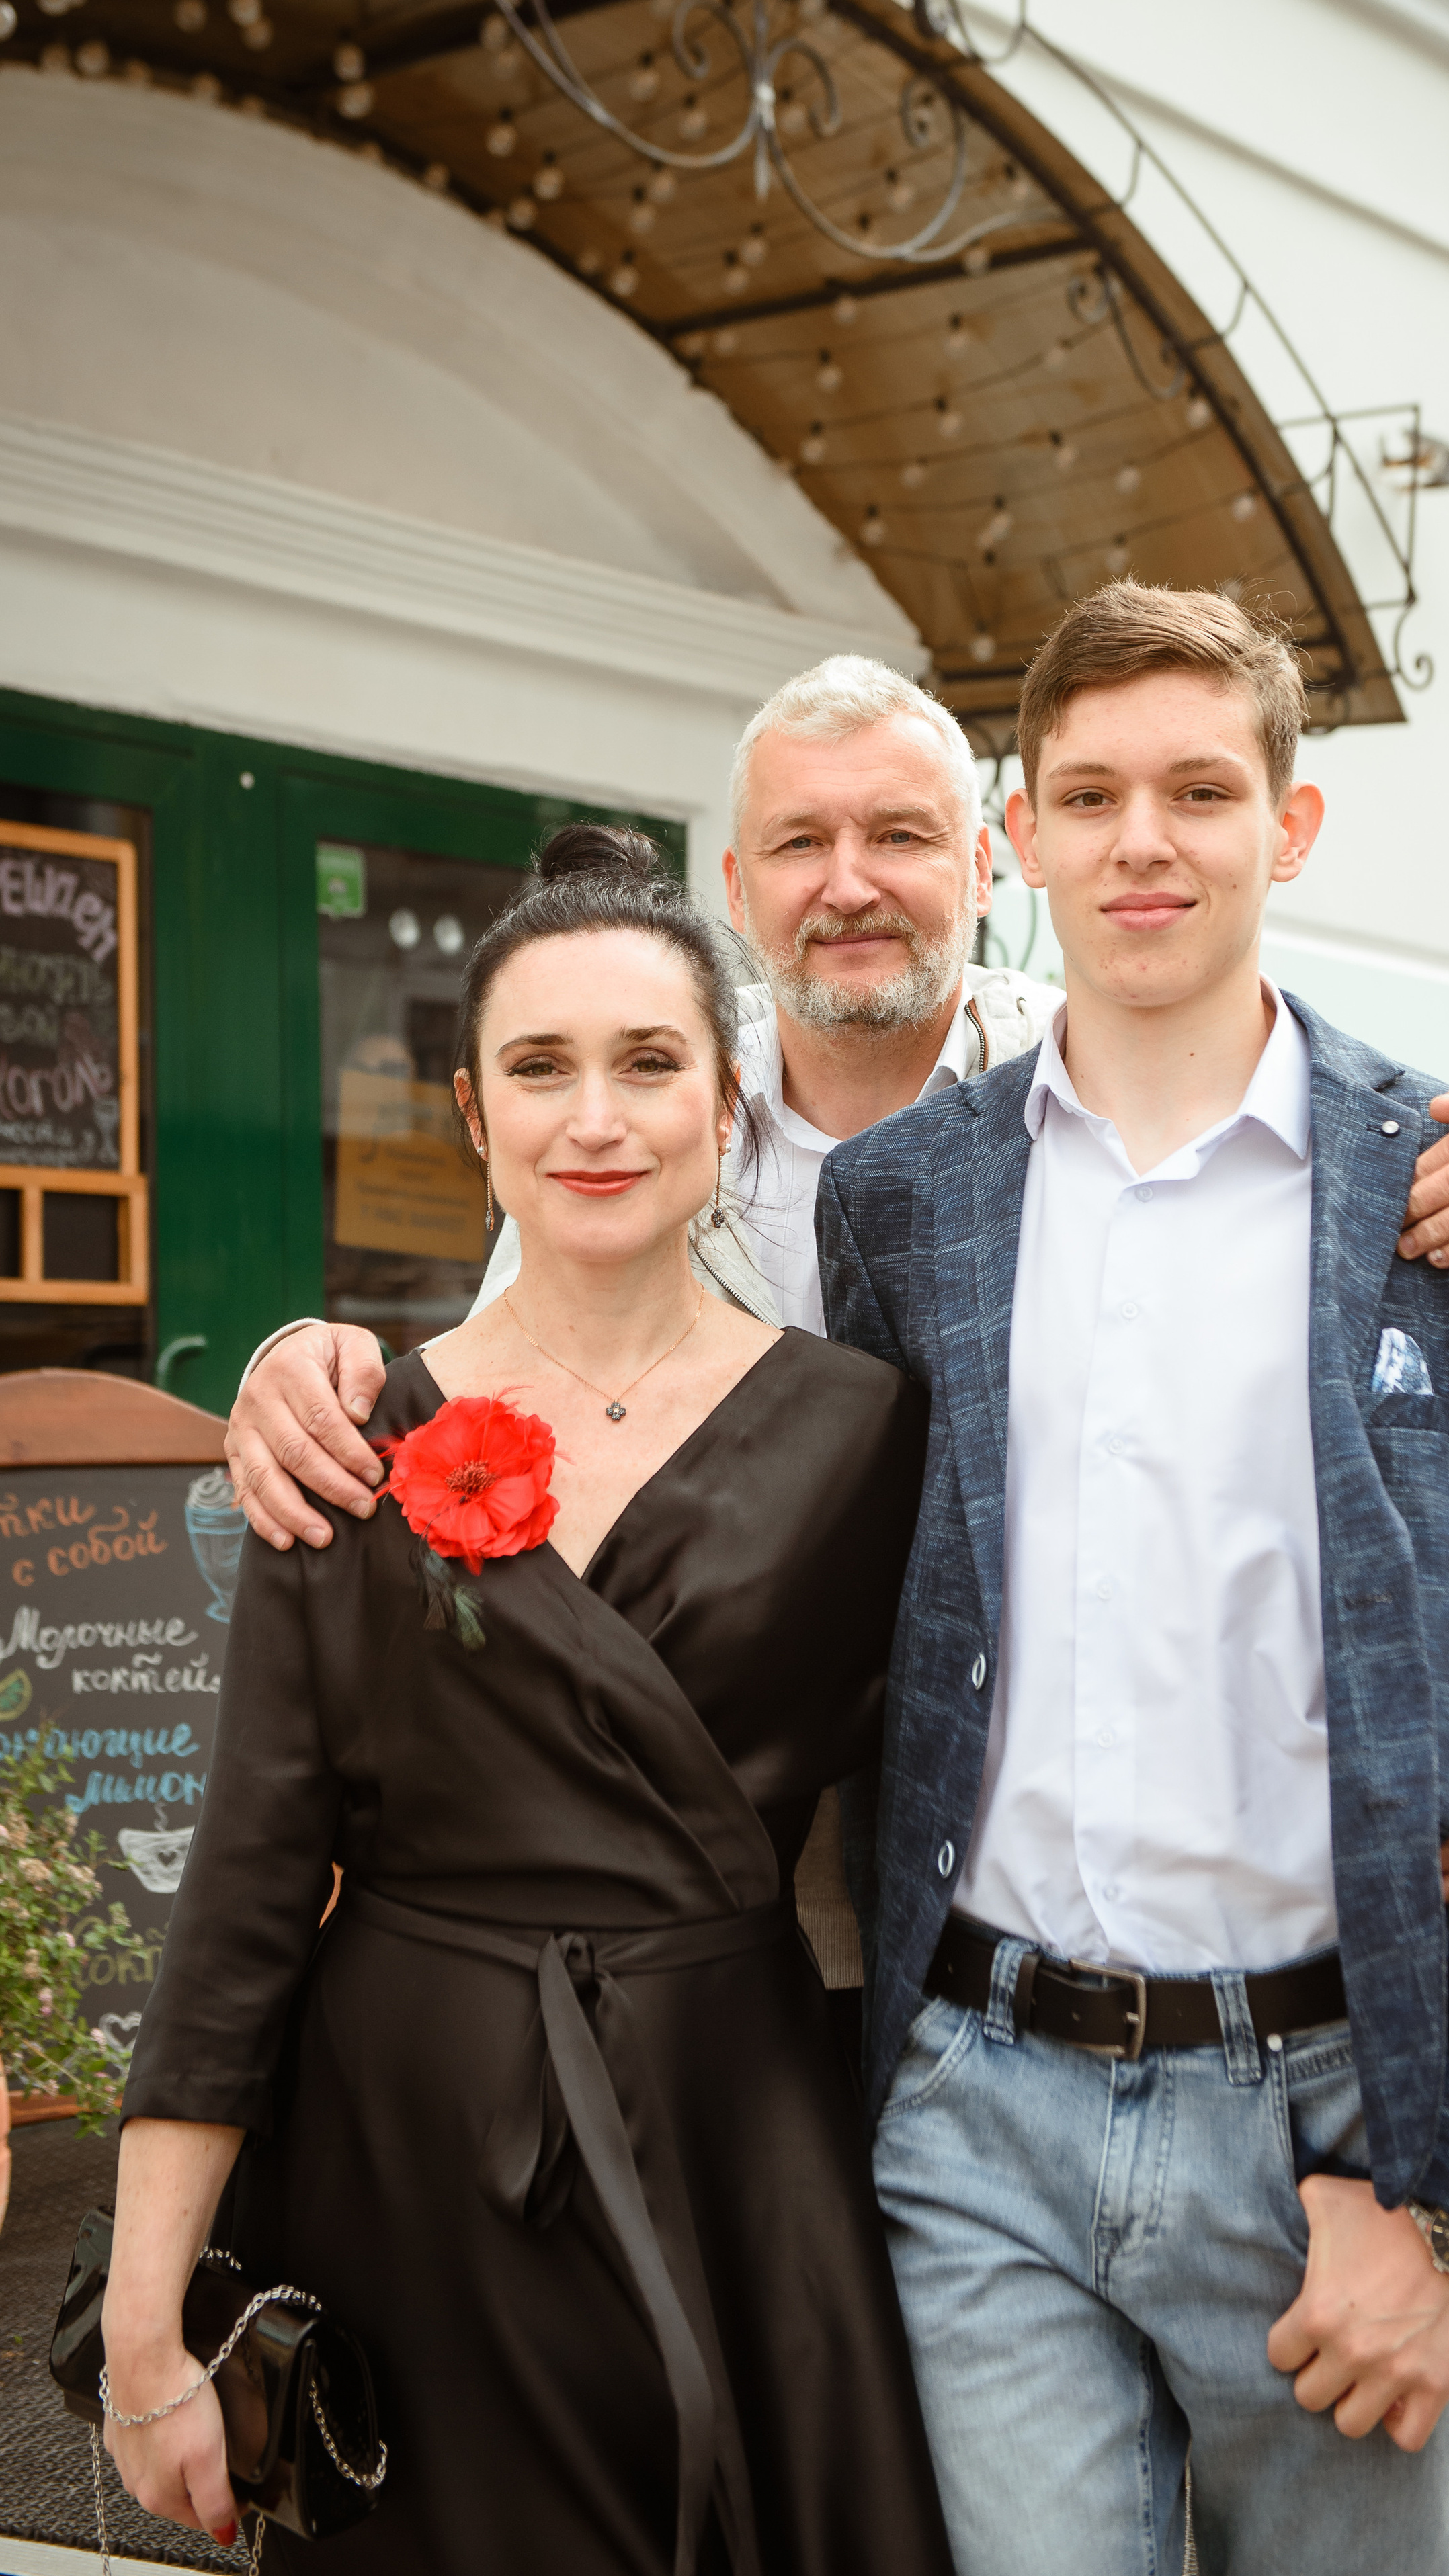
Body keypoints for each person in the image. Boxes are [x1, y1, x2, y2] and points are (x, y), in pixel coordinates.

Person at [222, 656, 1449, 2009]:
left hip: (1028, 1921)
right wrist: (316, 1364)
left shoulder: (1109, 1077)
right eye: (799, 842)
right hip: (707, 1898)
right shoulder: (650, 1102)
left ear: (989, 860)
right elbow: (507, 1387)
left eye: (901, 837)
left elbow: (1406, 1327)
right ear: (736, 885)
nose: (848, 884)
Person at [815, 584, 1449, 2576]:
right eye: (1090, 795)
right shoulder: (902, 1203)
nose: (1144, 841)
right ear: (1020, 833)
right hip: (974, 2122)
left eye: (1200, 790)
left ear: (1288, 826)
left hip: (1333, 2135)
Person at [102, 832, 954, 2576]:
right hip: (409, 2144)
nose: (596, 1119)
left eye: (648, 1063)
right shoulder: (347, 1440)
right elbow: (245, 1890)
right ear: (472, 1117)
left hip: (736, 2128)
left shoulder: (871, 1430)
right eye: (540, 1067)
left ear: (728, 1102)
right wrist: (140, 2329)